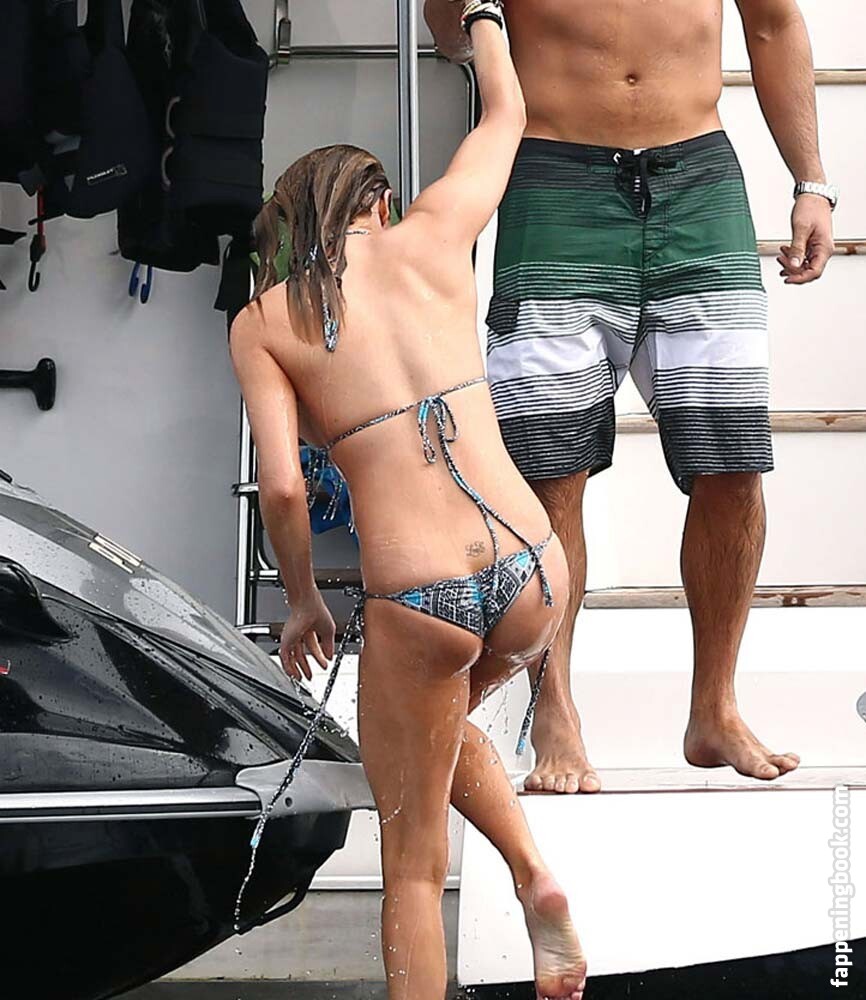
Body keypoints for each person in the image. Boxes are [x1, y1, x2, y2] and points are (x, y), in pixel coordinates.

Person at [229, 7, 586, 999]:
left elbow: (284, 486)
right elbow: (507, 114)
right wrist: (481, 17)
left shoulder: (266, 320)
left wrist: (303, 600)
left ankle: (527, 878)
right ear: (377, 205)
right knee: (432, 733)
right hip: (533, 566)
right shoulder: (436, 235)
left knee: (413, 863)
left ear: (291, 230)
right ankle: (535, 876)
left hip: (421, 596)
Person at [425, 0, 836, 793]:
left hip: (698, 179)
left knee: (733, 464)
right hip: (554, 182)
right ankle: (554, 712)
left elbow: (775, 24)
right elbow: (450, 37)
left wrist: (811, 182)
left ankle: (715, 708)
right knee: (551, 474)